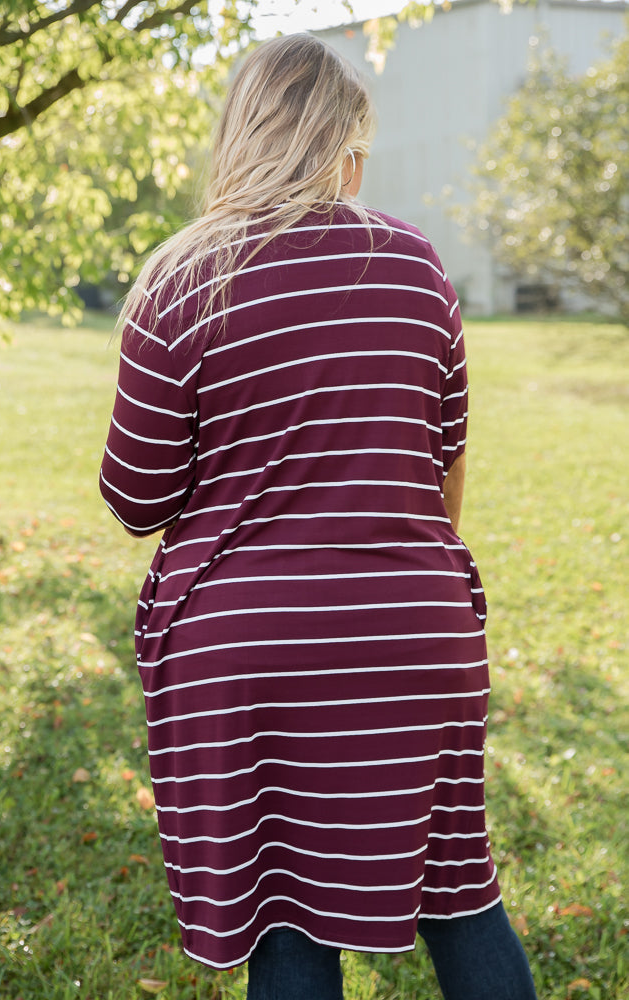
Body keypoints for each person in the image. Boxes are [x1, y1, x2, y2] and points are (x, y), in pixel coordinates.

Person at [99, 32, 537, 1000]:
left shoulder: (182, 281)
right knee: (460, 891)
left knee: (287, 918)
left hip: (254, 656)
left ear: (240, 132)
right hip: (417, 634)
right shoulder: (417, 269)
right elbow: (443, 468)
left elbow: (135, 498)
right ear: (339, 140)